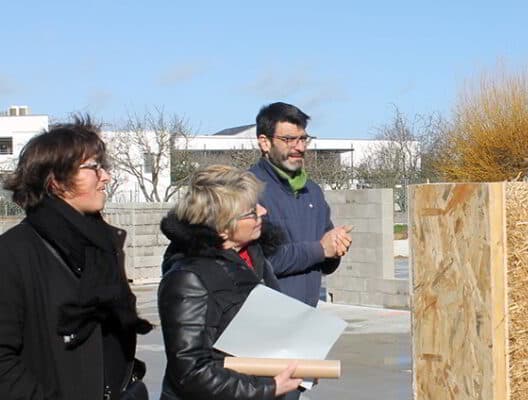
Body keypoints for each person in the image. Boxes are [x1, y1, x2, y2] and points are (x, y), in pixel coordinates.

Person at [0, 115, 152, 400]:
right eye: (94, 167)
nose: (106, 176)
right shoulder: (14, 253)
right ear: (56, 181)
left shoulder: (103, 246)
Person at [157, 165, 302, 400]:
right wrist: (268, 388)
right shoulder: (188, 279)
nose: (263, 211)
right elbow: (191, 373)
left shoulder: (254, 257)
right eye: (251, 212)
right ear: (223, 229)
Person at [249, 102, 352, 307]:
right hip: (264, 320)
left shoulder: (312, 191)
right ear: (265, 142)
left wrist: (336, 248)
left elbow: (325, 260)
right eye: (288, 139)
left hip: (305, 319)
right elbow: (260, 262)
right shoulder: (247, 190)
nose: (299, 147)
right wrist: (320, 249)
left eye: (303, 138)